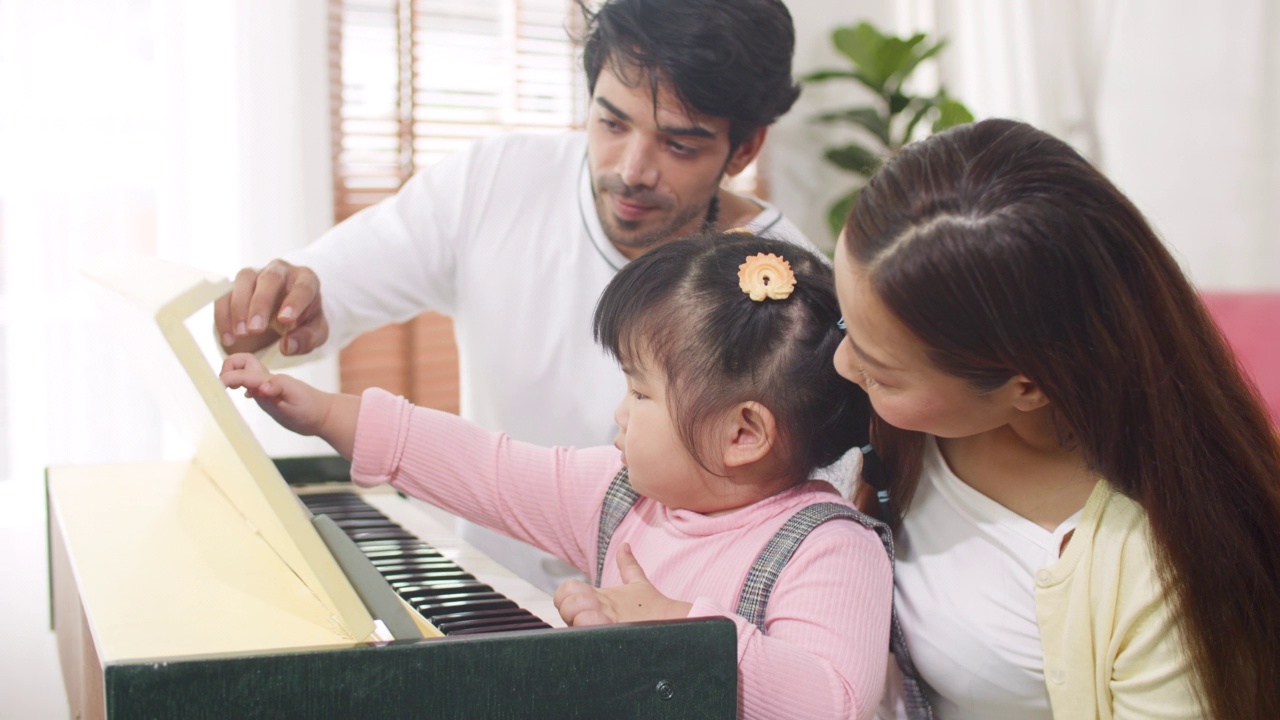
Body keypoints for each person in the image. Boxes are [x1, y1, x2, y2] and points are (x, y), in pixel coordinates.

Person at [213, 0, 816, 595]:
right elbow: (333, 283)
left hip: (669, 645)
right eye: (611, 123)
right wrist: (290, 305)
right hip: (481, 595)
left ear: (744, 148)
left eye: (678, 145)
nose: (633, 169)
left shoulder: (790, 293)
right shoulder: (496, 182)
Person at [223, 234, 893, 720]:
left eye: (639, 394)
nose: (618, 414)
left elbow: (831, 702)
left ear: (743, 433)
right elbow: (487, 470)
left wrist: (683, 628)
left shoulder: (829, 548)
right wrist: (325, 415)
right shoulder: (624, 493)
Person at [833, 118, 1280, 719]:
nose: (839, 364)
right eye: (845, 325)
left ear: (1028, 385)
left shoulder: (1162, 571)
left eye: (881, 370)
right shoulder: (916, 426)